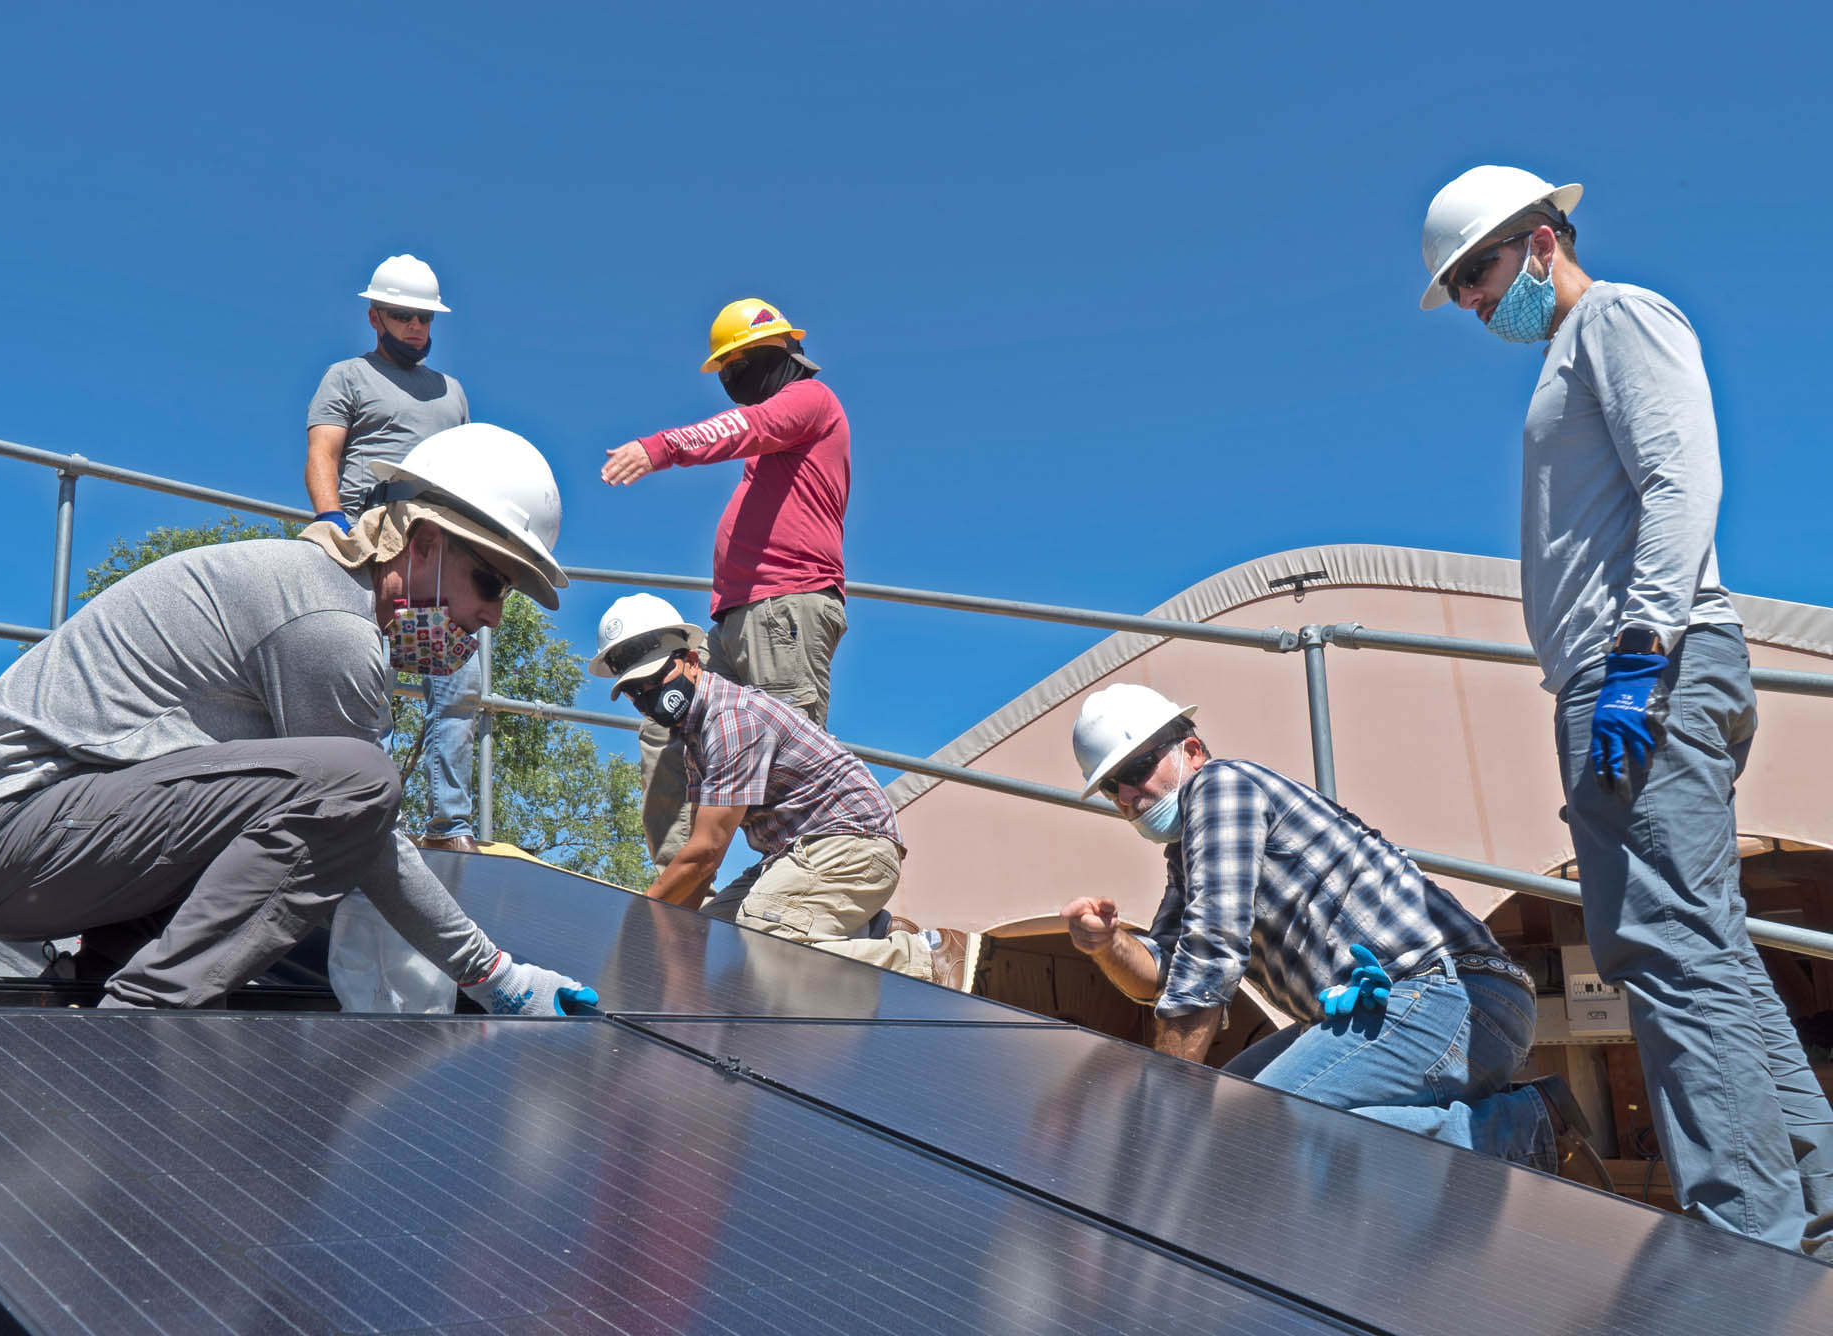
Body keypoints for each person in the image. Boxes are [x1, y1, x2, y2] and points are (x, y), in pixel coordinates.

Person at [1417, 165, 1833, 1253]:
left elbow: (1681, 478)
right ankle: (1815, 1216)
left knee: (1663, 949)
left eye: (1475, 272)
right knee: (1704, 947)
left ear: (1540, 239)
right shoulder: (1567, 350)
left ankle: (1745, 1244)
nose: (1470, 300)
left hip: (1641, 669)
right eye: (1456, 289)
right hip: (1628, 671)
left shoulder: (1616, 317)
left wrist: (1641, 652)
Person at [0, 424, 596, 1016]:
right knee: (359, 781)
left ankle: (95, 982)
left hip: (30, 844)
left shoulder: (324, 596)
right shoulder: (329, 626)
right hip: (7, 840)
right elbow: (365, 828)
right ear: (424, 544)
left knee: (287, 810)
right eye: (492, 583)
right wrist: (499, 978)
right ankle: (142, 1016)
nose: (493, 616)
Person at [1060, 684, 1582, 1171]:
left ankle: (1519, 1130)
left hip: (1453, 996)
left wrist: (1165, 1108)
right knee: (1227, 1131)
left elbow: (1210, 957)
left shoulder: (1221, 788)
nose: (1127, 794)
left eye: (1139, 768)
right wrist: (1108, 944)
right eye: (1110, 786)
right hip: (1405, 1006)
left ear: (1192, 751)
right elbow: (1163, 977)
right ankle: (1473, 1149)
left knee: (1253, 1125)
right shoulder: (1187, 855)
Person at [601, 299, 850, 881]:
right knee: (664, 716)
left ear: (783, 350)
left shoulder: (810, 400)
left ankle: (801, 885)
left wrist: (659, 448)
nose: (734, 378)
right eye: (726, 368)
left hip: (784, 609)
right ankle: (678, 880)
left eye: (741, 362)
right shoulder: (776, 443)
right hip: (736, 617)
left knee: (786, 755)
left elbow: (743, 427)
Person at [590, 593, 957, 985]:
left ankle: (928, 958)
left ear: (692, 661)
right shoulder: (695, 737)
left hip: (853, 844)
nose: (648, 695)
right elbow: (696, 857)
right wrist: (680, 944)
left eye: (655, 678)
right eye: (635, 690)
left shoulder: (731, 720)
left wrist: (637, 921)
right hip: (799, 853)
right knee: (713, 937)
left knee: (763, 935)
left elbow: (706, 854)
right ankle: (872, 934)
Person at [305, 254, 482, 852]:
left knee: (455, 689)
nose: (416, 327)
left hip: (439, 552)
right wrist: (331, 520)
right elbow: (324, 454)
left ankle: (450, 826)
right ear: (374, 316)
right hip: (371, 541)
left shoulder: (452, 393)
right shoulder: (347, 377)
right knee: (367, 682)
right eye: (404, 315)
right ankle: (373, 818)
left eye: (425, 318)